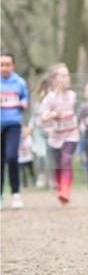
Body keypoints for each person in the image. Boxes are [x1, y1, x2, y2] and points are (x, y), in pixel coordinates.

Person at [40, 63, 79, 204]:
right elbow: (43, 117)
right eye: (63, 76)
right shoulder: (49, 98)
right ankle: (59, 187)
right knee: (57, 164)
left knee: (66, 159)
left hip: (71, 134)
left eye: (67, 75)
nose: (67, 78)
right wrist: (53, 114)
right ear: (55, 79)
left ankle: (65, 190)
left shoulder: (73, 96)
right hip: (55, 137)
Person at [1, 51, 28, 209]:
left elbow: (24, 97)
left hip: (13, 124)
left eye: (7, 64)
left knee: (11, 157)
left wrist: (23, 102)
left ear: (13, 65)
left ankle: (16, 194)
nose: (4, 67)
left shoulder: (19, 82)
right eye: (1, 64)